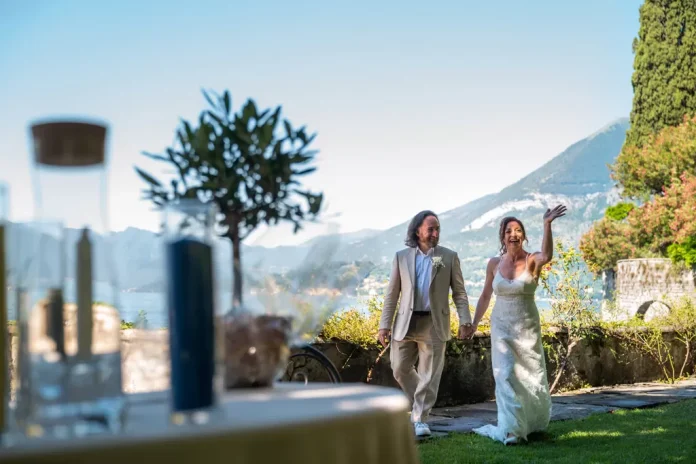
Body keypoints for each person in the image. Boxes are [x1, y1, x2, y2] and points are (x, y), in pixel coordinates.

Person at [461, 205, 566, 445]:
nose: (513, 234)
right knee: (505, 374)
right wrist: (474, 324)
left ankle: (530, 423)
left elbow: (547, 256)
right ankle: (511, 430)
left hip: (527, 326)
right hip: (501, 326)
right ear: (503, 236)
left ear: (523, 235)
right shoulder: (494, 264)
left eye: (518, 230)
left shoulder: (532, 261)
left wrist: (547, 224)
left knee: (530, 377)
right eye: (509, 231)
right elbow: (486, 296)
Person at [378, 210, 472, 437]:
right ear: (417, 230)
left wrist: (465, 320)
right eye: (431, 229)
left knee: (430, 374)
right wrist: (384, 325)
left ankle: (420, 418)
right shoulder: (401, 257)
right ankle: (420, 404)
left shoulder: (447, 257)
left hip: (434, 322)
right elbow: (392, 295)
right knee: (399, 368)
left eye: (437, 228)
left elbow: (459, 293)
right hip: (406, 322)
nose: (435, 233)